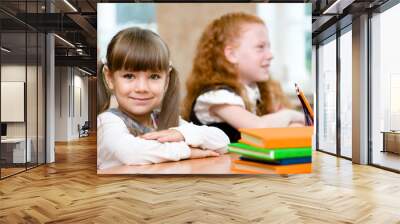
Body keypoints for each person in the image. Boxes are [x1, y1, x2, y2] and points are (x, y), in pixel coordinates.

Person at [97, 27, 229, 170]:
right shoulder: (106, 122)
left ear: (166, 80)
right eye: (129, 76)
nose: (142, 88)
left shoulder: (161, 120)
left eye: (154, 77)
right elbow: (131, 152)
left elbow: (222, 142)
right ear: (109, 77)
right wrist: (188, 151)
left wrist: (182, 134)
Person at [182, 12, 305, 142]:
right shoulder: (216, 97)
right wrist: (291, 116)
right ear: (232, 54)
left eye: (269, 47)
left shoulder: (255, 92)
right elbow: (259, 128)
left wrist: (291, 125)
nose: (270, 55)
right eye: (260, 47)